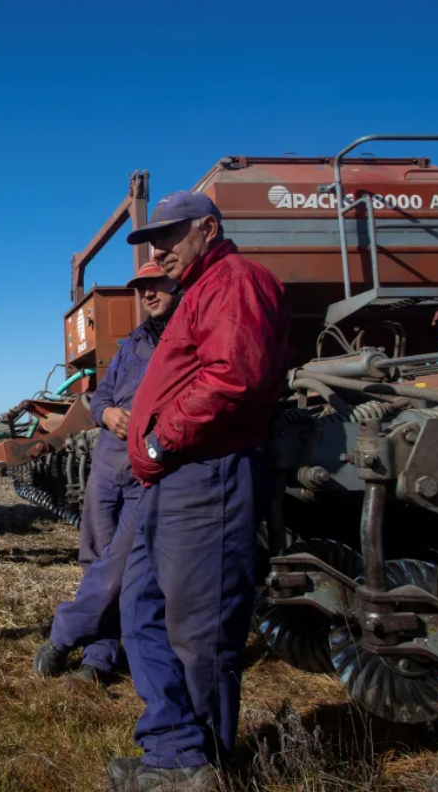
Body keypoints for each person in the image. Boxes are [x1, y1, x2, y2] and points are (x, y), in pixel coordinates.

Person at [107, 192, 290, 792]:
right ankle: (174, 747)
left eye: (169, 237)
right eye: (151, 241)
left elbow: (232, 376)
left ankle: (199, 764)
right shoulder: (202, 290)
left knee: (199, 627)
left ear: (208, 229)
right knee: (140, 608)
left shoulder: (236, 280)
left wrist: (159, 441)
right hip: (174, 477)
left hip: (205, 470)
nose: (156, 251)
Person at [32, 264, 181, 684]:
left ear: (177, 284)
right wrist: (108, 411)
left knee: (119, 566)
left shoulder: (185, 340)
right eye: (142, 288)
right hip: (107, 463)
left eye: (156, 285)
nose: (149, 294)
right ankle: (99, 656)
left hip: (148, 468)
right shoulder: (133, 343)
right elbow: (100, 398)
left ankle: (63, 637)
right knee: (95, 559)